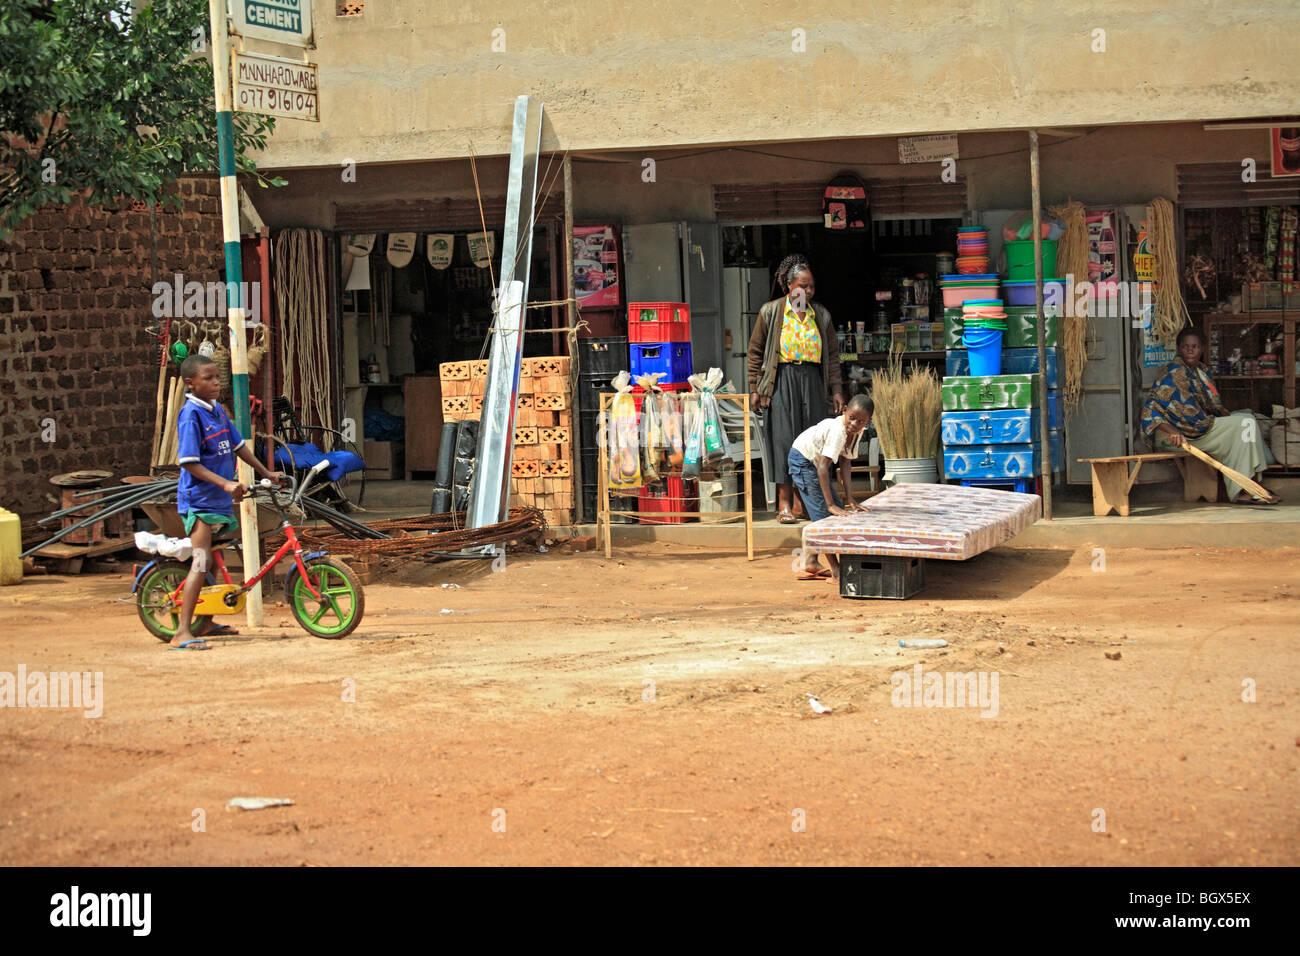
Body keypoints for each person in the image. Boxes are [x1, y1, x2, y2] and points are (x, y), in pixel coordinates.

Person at [172, 354, 285, 649]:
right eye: (207, 378)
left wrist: (266, 472)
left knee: (212, 559)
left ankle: (206, 621)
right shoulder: (191, 416)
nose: (215, 383)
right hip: (198, 501)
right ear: (190, 383)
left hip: (219, 500)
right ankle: (182, 630)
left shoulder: (218, 411)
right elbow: (188, 463)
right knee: (200, 561)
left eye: (216, 378)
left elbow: (238, 447)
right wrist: (225, 483)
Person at [747, 255, 845, 524]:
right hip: (782, 380)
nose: (808, 292)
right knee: (783, 439)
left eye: (812, 287)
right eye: (803, 286)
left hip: (812, 380)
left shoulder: (821, 315)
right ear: (789, 286)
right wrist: (754, 387)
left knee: (810, 441)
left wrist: (836, 390)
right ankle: (785, 504)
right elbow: (755, 352)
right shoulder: (771, 312)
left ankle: (807, 502)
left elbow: (833, 358)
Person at [1141, 327, 1279, 504]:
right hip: (1181, 436)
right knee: (1245, 423)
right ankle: (1245, 489)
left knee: (1247, 419)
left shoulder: (1202, 371)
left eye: (1195, 346)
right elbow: (1150, 408)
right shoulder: (1173, 373)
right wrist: (1171, 430)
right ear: (1178, 348)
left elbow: (1211, 407)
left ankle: (1250, 485)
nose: (1190, 350)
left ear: (1202, 349)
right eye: (1186, 347)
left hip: (1200, 428)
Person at [787, 394, 873, 581]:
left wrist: (849, 499)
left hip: (816, 465)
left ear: (868, 422)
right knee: (823, 515)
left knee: (835, 507)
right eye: (852, 418)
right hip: (803, 460)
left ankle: (811, 560)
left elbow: (846, 462)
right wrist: (830, 505)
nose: (854, 424)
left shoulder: (857, 432)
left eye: (860, 421)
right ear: (844, 411)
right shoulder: (838, 430)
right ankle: (836, 569)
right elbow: (823, 467)